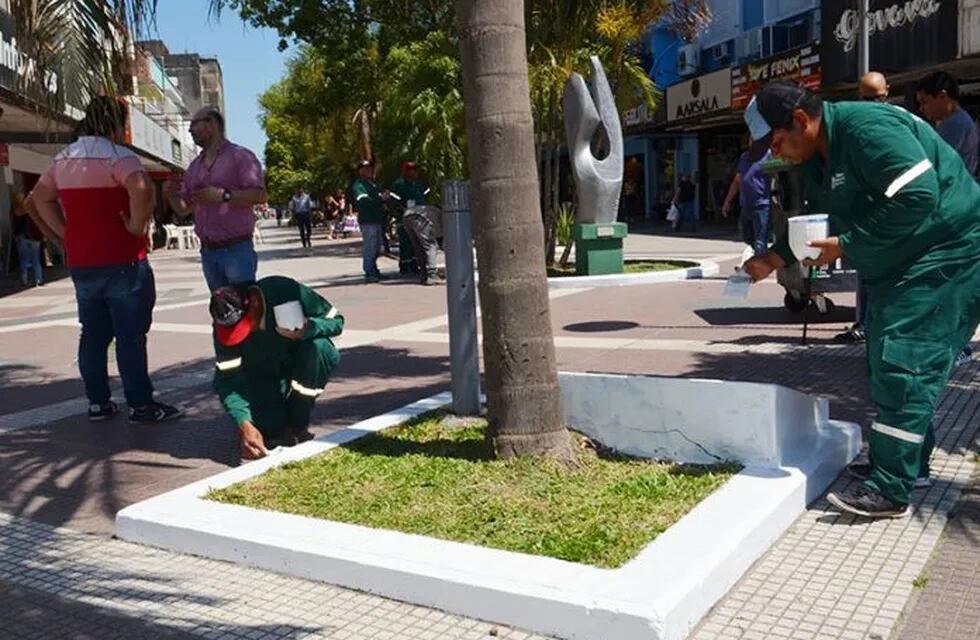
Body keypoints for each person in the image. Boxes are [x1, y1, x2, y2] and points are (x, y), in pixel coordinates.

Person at [741, 81, 980, 519]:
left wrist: (847, 244)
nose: (778, 153)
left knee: (903, 362)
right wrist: (772, 259)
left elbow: (919, 196)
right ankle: (906, 463)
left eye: (777, 141)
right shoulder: (816, 153)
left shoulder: (868, 129)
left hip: (947, 252)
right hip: (902, 260)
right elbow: (815, 223)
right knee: (886, 359)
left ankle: (891, 489)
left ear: (800, 121)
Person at [30, 96, 184, 424]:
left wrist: (64, 234)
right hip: (123, 259)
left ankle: (98, 403)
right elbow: (141, 189)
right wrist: (136, 225)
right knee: (129, 336)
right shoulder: (118, 156)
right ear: (118, 123)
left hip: (84, 263)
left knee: (93, 334)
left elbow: (38, 199)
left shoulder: (63, 160)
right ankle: (141, 404)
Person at [210, 277, 343, 459]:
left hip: (297, 363)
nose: (242, 335)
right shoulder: (223, 327)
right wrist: (244, 424)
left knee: (320, 348)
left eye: (243, 328)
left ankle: (299, 416)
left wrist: (309, 329)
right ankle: (275, 421)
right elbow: (228, 379)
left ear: (255, 302)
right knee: (271, 431)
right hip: (262, 377)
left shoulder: (284, 291)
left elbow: (337, 321)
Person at [165, 107, 267, 291]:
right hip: (208, 252)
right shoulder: (194, 167)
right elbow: (184, 209)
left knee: (244, 309)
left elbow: (260, 196)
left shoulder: (240, 157)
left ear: (212, 124)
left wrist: (223, 196)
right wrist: (171, 195)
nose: (190, 130)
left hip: (237, 249)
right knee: (222, 311)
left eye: (194, 124)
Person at [916, 71, 978, 367]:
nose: (923, 110)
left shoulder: (955, 126)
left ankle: (957, 347)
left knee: (951, 284)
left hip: (953, 214)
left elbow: (932, 169)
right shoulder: (955, 123)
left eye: (925, 102)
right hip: (956, 212)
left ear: (943, 96)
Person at [836, 71, 893, 345]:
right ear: (860, 97)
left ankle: (874, 326)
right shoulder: (853, 127)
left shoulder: (896, 122)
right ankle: (866, 324)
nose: (874, 104)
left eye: (879, 98)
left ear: (888, 93)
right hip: (866, 212)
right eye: (869, 99)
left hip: (891, 212)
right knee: (868, 275)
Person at [721, 148, 772, 258]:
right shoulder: (745, 157)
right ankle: (761, 258)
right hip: (746, 205)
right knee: (746, 236)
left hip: (762, 204)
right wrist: (727, 201)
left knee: (760, 241)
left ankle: (759, 266)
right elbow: (737, 180)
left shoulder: (768, 155)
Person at [389, 161, 431, 274]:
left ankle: (415, 265)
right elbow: (393, 202)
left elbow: (426, 197)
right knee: (406, 243)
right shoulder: (399, 185)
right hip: (404, 218)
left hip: (420, 218)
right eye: (411, 170)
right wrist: (400, 211)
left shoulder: (420, 184)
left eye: (415, 169)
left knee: (417, 244)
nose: (414, 172)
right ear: (405, 171)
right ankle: (405, 266)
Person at [351, 159, 388, 283]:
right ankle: (369, 272)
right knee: (370, 247)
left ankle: (374, 270)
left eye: (371, 168)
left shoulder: (372, 184)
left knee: (377, 247)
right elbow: (363, 202)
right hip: (368, 220)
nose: (370, 171)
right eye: (366, 168)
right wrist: (380, 199)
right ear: (360, 171)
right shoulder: (359, 185)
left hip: (376, 219)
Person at [403, 205, 444, 286]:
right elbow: (440, 236)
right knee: (431, 246)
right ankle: (432, 275)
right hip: (421, 217)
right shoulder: (442, 215)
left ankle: (423, 274)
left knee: (419, 247)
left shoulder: (433, 210)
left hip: (407, 216)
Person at [12, 193, 44, 287]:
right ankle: (39, 279)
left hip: (22, 237)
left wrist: (16, 236)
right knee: (36, 259)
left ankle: (24, 280)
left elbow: (14, 226)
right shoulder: (32, 210)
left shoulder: (16, 211)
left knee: (24, 259)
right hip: (34, 237)